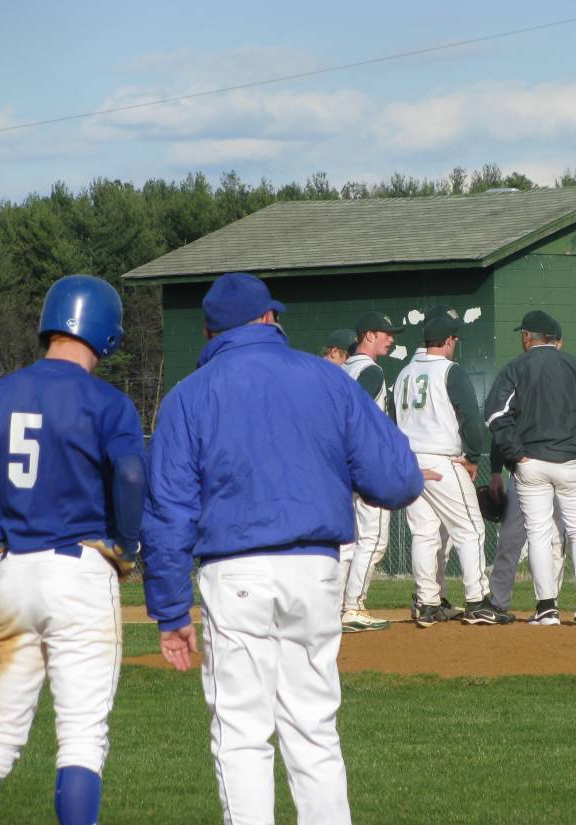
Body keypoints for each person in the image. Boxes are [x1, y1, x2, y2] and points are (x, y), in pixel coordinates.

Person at [140, 272, 424, 825]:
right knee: (313, 728)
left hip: (234, 572)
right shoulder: (329, 379)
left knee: (243, 733)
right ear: (269, 318)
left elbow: (168, 515)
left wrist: (170, 610)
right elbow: (397, 480)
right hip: (316, 569)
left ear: (209, 331)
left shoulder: (188, 396)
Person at [0, 274, 146, 825]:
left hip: (13, 575)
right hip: (80, 573)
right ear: (105, 333)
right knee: (82, 738)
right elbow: (132, 473)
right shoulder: (106, 400)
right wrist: (128, 548)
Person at [483, 309, 576, 626]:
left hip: (531, 464)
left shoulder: (516, 367)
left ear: (529, 337)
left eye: (523, 334)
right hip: (572, 463)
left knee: (539, 534)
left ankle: (547, 608)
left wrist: (514, 453)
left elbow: (494, 414)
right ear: (556, 340)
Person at [394, 309, 512, 626]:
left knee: (425, 534)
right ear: (448, 341)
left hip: (410, 460)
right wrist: (473, 456)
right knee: (470, 529)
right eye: (454, 338)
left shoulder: (404, 373)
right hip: (442, 460)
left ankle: (427, 602)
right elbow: (471, 419)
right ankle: (476, 601)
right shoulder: (450, 371)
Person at [487, 321, 567, 614]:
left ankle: (549, 603)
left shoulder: (567, 378)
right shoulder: (518, 373)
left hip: (555, 468)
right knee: (511, 539)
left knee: (554, 538)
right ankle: (498, 602)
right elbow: (501, 422)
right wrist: (497, 469)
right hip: (524, 471)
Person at [338, 310, 405, 632]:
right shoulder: (372, 371)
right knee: (373, 539)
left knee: (347, 542)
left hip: (341, 467)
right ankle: (353, 607)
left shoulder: (342, 369)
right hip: (366, 465)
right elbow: (356, 417)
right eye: (386, 332)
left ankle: (335, 607)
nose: (391, 338)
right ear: (368, 335)